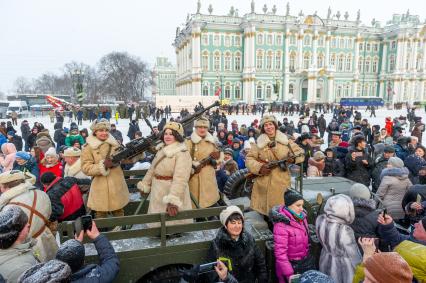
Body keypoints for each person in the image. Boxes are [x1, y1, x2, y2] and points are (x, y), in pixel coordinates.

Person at [246, 115, 304, 216]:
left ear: (275, 126)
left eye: (271, 124)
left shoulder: (286, 141)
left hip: (281, 182)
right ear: (263, 128)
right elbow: (249, 159)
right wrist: (260, 168)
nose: (269, 127)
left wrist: (293, 158)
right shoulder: (258, 144)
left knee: (280, 213)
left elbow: (301, 153)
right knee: (263, 215)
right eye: (266, 125)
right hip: (263, 184)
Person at [137, 122, 193, 224]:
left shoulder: (182, 153)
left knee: (172, 224)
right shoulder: (162, 149)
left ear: (177, 136)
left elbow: (180, 179)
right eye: (166, 133)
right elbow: (152, 169)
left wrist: (173, 200)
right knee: (157, 222)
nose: (167, 136)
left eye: (171, 134)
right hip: (157, 190)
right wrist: (145, 184)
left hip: (171, 190)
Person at [0, 170, 58, 261]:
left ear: (4, 186)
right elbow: (49, 215)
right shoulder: (41, 193)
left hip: (27, 250)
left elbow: (8, 237)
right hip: (46, 239)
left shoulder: (9, 209)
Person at [81, 119, 129, 218]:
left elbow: (127, 160)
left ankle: (122, 232)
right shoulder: (88, 147)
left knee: (119, 213)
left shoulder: (115, 144)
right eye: (101, 130)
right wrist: (102, 166)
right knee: (100, 215)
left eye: (106, 130)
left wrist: (136, 152)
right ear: (95, 132)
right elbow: (86, 167)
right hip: (99, 188)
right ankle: (100, 233)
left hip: (117, 185)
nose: (104, 133)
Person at [207, 206, 267, 283]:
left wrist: (262, 279)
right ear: (225, 225)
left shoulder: (249, 239)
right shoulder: (216, 245)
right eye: (233, 223)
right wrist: (223, 278)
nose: (237, 226)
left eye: (239, 223)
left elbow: (260, 263)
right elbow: (211, 272)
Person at [316, 194, 361, 283]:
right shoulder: (344, 230)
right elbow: (353, 255)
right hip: (342, 268)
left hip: (325, 260)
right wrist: (360, 268)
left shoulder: (320, 220)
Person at [271, 190, 315, 282]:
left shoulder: (301, 217)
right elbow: (280, 254)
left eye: (302, 205)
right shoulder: (281, 225)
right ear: (288, 206)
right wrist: (289, 274)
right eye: (298, 205)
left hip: (304, 262)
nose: (302, 208)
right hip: (292, 267)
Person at [185, 117, 222, 209]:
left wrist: (215, 161)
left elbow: (221, 155)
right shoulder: (188, 142)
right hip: (193, 176)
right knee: (193, 203)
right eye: (199, 127)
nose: (202, 129)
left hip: (208, 177)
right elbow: (183, 159)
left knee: (209, 202)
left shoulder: (212, 141)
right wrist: (194, 165)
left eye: (205, 127)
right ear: (195, 128)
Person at [0, 206, 38, 282]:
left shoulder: (21, 245)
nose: (28, 224)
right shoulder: (20, 270)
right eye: (24, 223)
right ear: (17, 233)